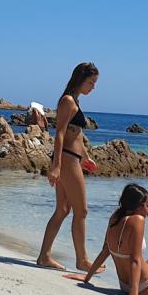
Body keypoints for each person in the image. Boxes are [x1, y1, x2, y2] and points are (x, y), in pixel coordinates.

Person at [36, 62, 100, 271]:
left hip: (74, 159)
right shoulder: (68, 101)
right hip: (66, 161)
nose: (93, 87)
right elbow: (61, 133)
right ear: (80, 79)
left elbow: (77, 135)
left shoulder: (75, 102)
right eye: (91, 82)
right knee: (81, 211)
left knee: (63, 209)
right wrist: (56, 167)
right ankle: (82, 260)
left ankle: (44, 256)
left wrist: (86, 157)